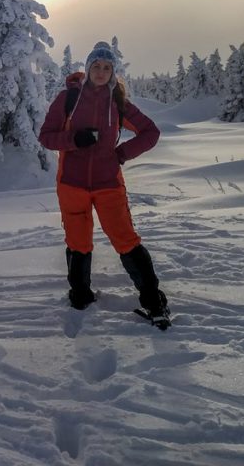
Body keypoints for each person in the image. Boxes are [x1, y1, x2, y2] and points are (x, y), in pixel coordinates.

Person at [38, 41, 168, 321]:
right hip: (72, 185)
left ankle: (153, 300)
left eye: (106, 67)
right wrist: (74, 140)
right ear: (87, 69)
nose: (100, 71)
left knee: (126, 240)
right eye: (96, 66)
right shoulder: (68, 99)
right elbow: (46, 136)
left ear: (113, 72)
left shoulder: (119, 103)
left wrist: (121, 153)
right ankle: (80, 296)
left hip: (109, 184)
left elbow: (150, 132)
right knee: (77, 241)